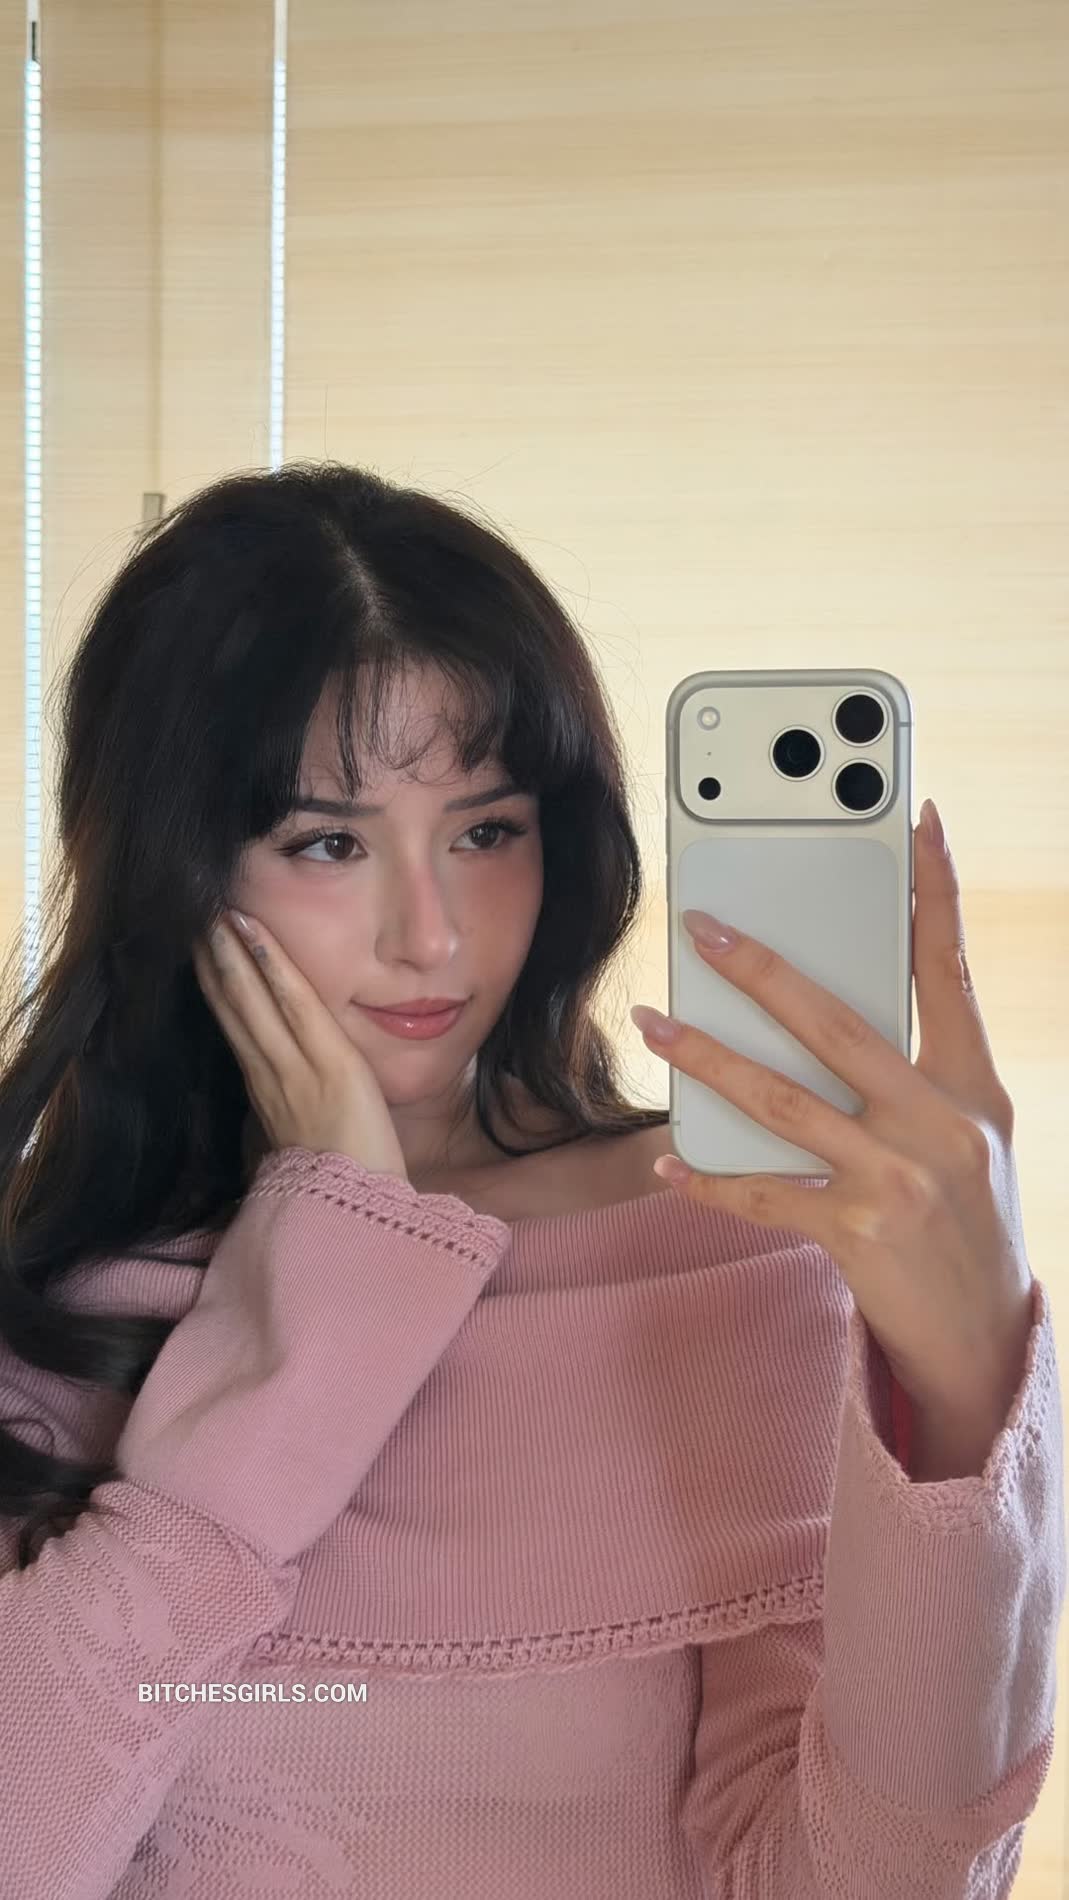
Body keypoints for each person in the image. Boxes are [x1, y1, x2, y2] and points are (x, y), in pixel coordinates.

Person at [0, 461, 1061, 1898]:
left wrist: (965, 1390)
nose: (431, 936)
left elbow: (872, 1880)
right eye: (328, 841)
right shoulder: (54, 1312)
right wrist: (320, 1279)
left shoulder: (729, 1251)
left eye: (485, 831)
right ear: (172, 868)